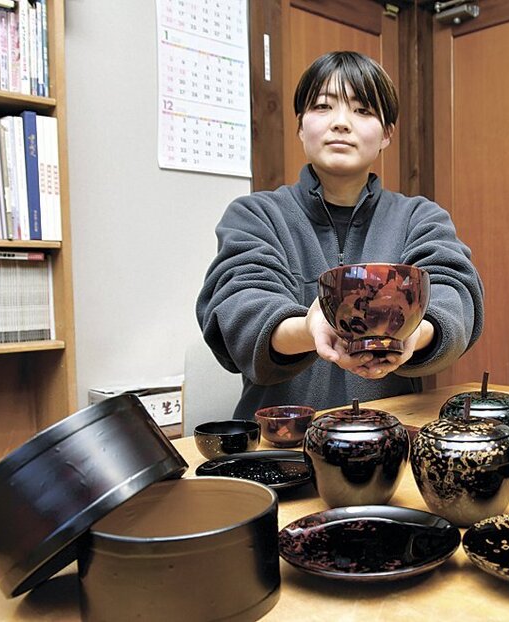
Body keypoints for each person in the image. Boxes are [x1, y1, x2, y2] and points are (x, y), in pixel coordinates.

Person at [195, 51, 484, 419]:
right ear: (300, 126)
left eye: (362, 110)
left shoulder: (420, 218)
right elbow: (239, 306)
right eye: (322, 106)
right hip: (282, 446)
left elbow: (454, 295)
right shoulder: (255, 216)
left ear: (387, 134)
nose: (341, 123)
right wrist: (310, 327)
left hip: (388, 440)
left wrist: (414, 332)